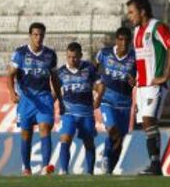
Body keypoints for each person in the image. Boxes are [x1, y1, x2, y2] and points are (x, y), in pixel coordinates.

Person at [126, 0, 170, 175]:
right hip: (141, 85)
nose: (129, 16)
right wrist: (135, 77)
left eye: (132, 12)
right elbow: (140, 57)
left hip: (155, 84)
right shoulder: (137, 31)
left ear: (142, 12)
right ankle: (154, 165)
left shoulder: (157, 27)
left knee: (149, 119)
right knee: (147, 124)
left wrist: (166, 75)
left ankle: (156, 166)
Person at [7, 22, 59, 176]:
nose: (38, 38)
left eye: (41, 35)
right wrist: (11, 93)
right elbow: (10, 75)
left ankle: (45, 168)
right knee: (26, 133)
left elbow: (54, 78)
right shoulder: (20, 53)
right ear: (30, 36)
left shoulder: (50, 54)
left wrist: (57, 96)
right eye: (35, 35)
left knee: (45, 128)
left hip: (44, 97)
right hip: (26, 99)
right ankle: (27, 168)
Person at [57, 42, 105, 175]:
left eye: (75, 57)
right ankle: (63, 170)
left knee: (89, 142)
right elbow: (55, 92)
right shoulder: (60, 72)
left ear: (81, 56)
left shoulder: (89, 68)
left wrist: (98, 98)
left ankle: (90, 172)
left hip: (86, 113)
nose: (73, 60)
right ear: (66, 56)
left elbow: (101, 85)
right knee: (65, 139)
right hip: (68, 113)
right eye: (70, 57)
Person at [96, 27, 136, 174]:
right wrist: (96, 86)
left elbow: (138, 79)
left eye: (127, 40)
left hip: (125, 102)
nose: (124, 43)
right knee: (113, 130)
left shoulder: (135, 57)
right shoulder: (104, 53)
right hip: (108, 99)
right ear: (116, 40)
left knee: (120, 140)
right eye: (121, 39)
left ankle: (110, 170)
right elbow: (93, 70)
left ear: (130, 41)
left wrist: (135, 81)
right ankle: (105, 157)